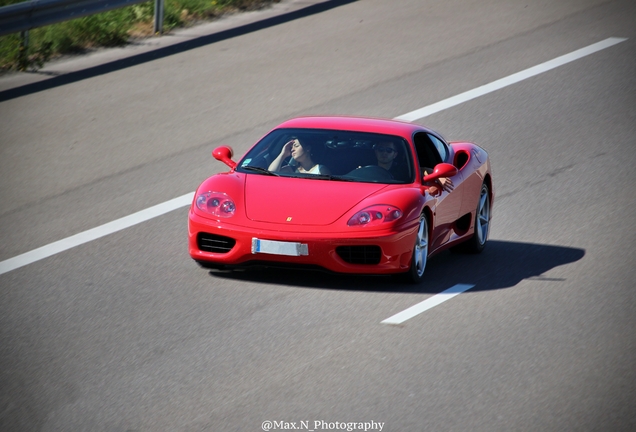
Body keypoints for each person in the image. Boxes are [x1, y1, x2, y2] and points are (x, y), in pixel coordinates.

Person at [373, 140, 453, 194]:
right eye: (381, 149)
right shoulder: (362, 168)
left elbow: (423, 170)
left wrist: (439, 177)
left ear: (395, 155)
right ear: (376, 151)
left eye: (389, 150)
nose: (384, 153)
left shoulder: (404, 170)